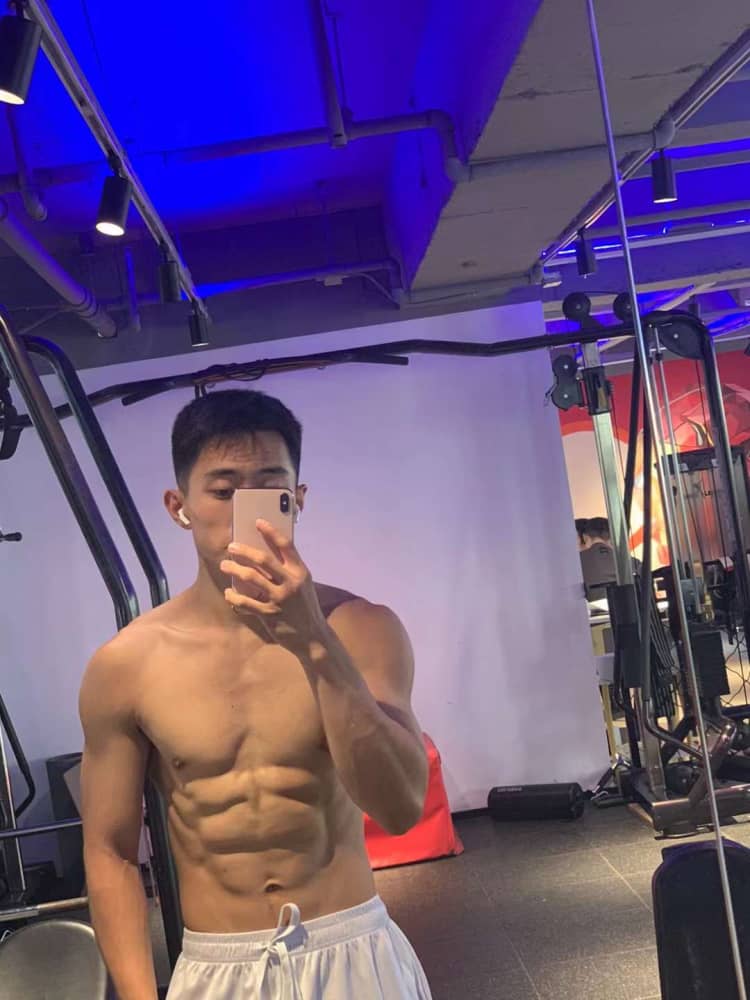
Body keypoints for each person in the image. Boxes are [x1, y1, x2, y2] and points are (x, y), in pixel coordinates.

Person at [78, 389, 432, 1000]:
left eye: (271, 491)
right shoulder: (126, 666)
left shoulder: (362, 629)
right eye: (223, 492)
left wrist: (314, 641)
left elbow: (400, 808)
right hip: (219, 967)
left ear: (299, 499)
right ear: (179, 506)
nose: (249, 514)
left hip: (351, 950)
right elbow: (109, 850)